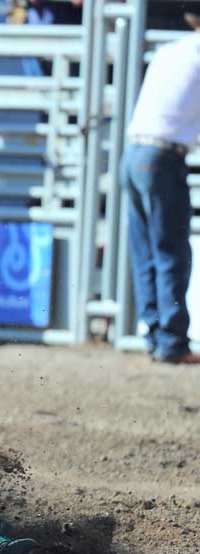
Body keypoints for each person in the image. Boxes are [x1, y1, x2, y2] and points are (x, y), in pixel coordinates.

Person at [121, 12, 200, 365]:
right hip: (162, 157)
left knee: (147, 252)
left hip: (135, 151)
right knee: (171, 252)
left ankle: (155, 335)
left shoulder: (171, 51)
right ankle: (172, 342)